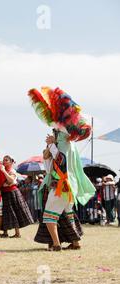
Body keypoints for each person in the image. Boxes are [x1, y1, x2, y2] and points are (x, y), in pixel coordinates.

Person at [29, 86, 95, 251]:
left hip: (61, 185)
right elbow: (52, 157)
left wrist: (51, 145)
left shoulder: (64, 145)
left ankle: (57, 245)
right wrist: (50, 146)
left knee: (49, 217)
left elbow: (60, 161)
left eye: (55, 132)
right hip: (67, 186)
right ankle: (75, 242)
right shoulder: (68, 145)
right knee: (69, 214)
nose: (53, 133)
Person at [0, 155, 35, 238]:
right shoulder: (2, 170)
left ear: (10, 162)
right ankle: (5, 232)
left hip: (12, 193)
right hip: (4, 193)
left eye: (6, 160)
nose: (4, 161)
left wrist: (3, 171)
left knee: (15, 212)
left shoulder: (12, 170)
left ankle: (17, 233)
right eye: (3, 160)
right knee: (5, 213)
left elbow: (10, 180)